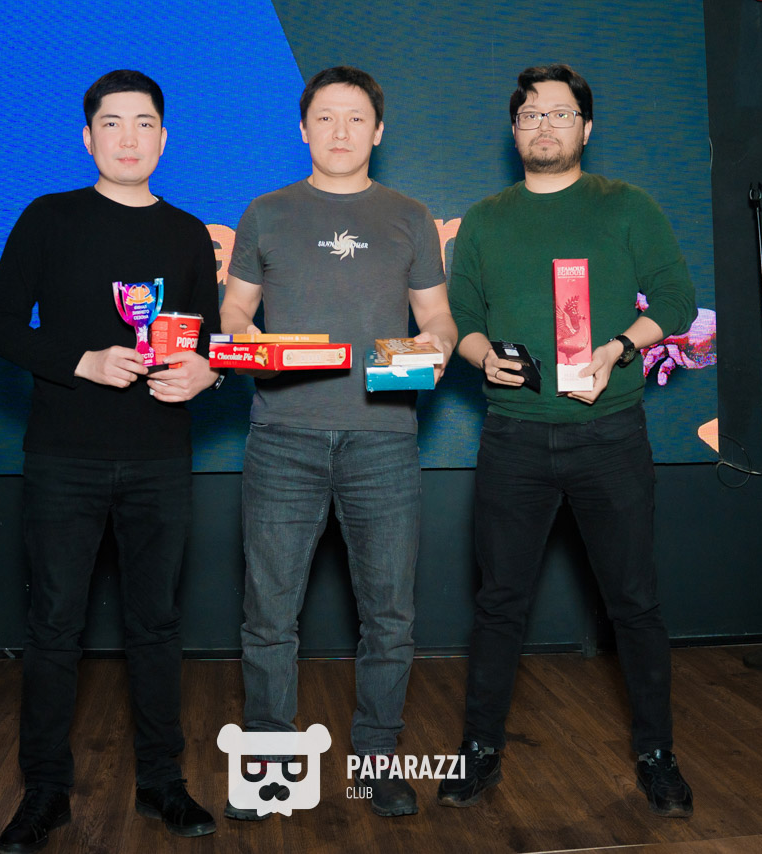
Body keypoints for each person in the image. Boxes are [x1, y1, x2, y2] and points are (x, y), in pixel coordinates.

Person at [438, 63, 698, 818]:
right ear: (513, 130)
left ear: (586, 127)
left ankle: (657, 755)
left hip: (609, 434)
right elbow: (463, 320)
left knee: (635, 602)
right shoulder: (484, 219)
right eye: (530, 114)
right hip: (513, 438)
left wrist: (619, 346)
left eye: (559, 113)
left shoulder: (628, 205)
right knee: (499, 603)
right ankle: (479, 749)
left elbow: (678, 299)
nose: (544, 125)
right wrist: (485, 358)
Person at [0, 69, 220, 851]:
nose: (128, 137)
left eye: (143, 122)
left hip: (159, 458)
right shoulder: (48, 217)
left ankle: (162, 782)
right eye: (111, 123)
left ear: (164, 137)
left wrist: (208, 373)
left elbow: (210, 340)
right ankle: (45, 791)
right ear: (88, 138)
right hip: (64, 457)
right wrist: (80, 361)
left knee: (157, 624)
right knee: (55, 626)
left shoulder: (188, 233)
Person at [219, 66, 457, 819]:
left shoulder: (410, 216)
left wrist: (438, 347)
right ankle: (267, 767)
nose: (341, 131)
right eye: (325, 117)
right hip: (281, 437)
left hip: (383, 441)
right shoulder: (266, 212)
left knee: (389, 616)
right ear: (303, 129)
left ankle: (376, 764)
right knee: (268, 615)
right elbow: (234, 313)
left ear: (378, 131)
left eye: (356, 118)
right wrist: (248, 340)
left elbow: (438, 319)